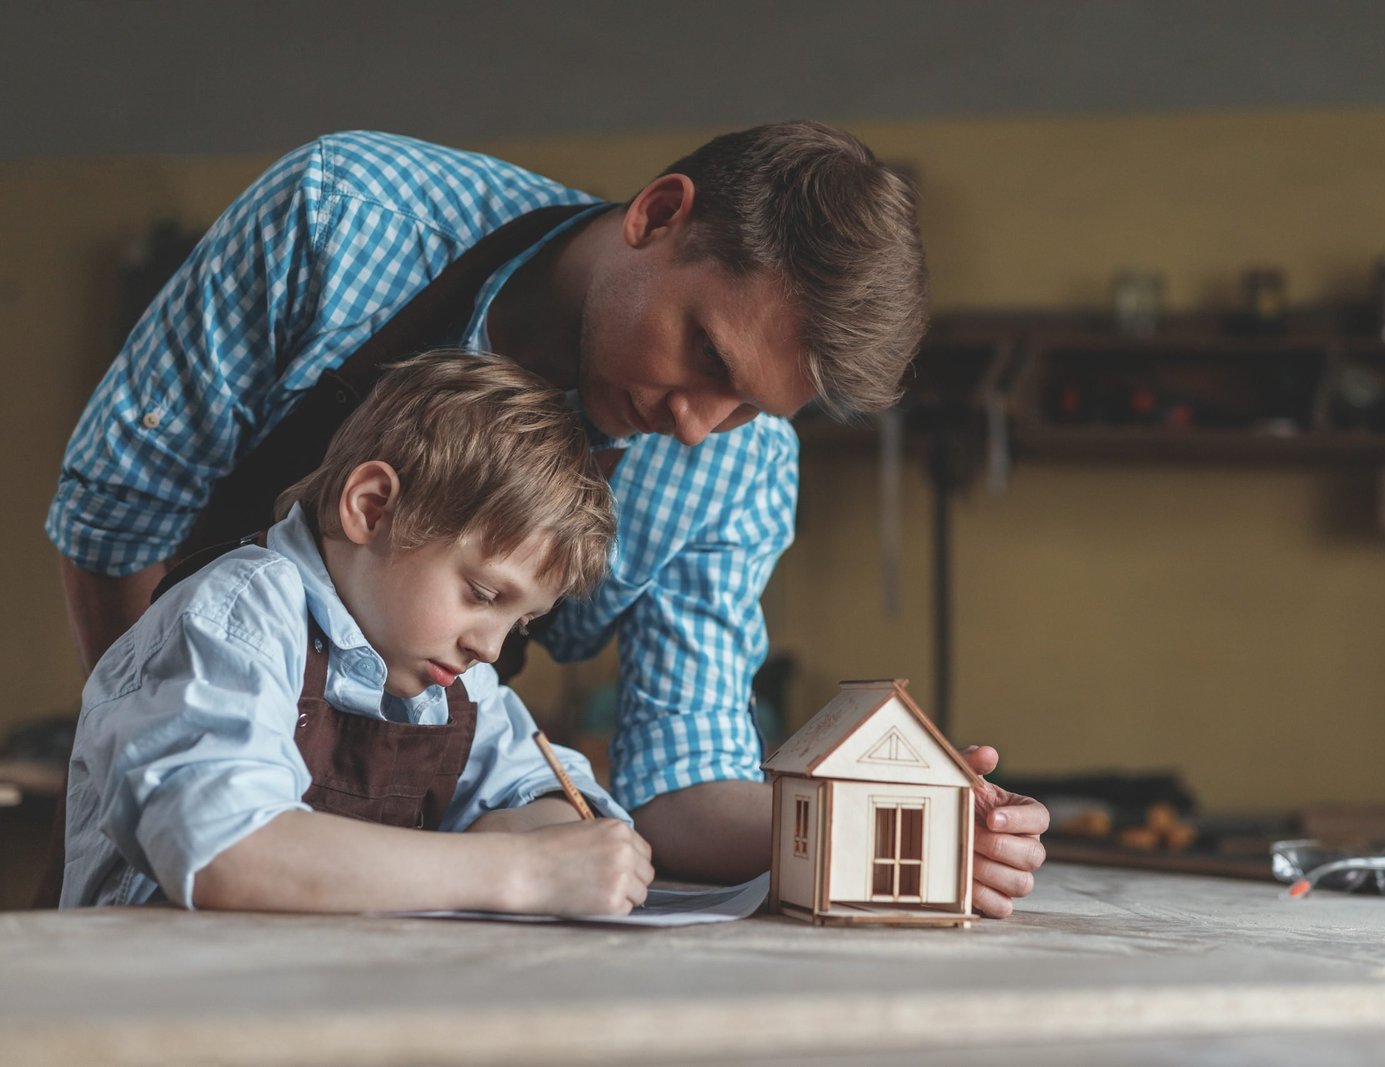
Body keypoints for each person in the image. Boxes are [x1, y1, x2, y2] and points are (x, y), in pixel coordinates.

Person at [49, 122, 1047, 914]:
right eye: (708, 358)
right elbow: (118, 520)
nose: (701, 430)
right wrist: (167, 743)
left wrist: (881, 829)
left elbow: (677, 778)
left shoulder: (729, 477)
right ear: (660, 214)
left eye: (751, 408)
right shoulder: (344, 215)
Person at [62, 353, 654, 914]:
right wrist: (517, 869)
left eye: (520, 622)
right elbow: (227, 854)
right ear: (371, 509)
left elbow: (555, 801)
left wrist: (539, 838)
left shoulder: (447, 682)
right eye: (483, 595)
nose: (490, 648)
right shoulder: (239, 613)